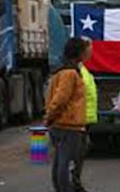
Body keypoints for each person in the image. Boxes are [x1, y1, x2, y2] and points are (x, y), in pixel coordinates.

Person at [45, 37, 87, 192]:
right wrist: (49, 117)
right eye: (85, 50)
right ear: (79, 53)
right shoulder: (70, 73)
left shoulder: (62, 71)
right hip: (68, 124)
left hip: (61, 123)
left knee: (60, 161)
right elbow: (60, 98)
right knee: (66, 162)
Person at [72, 39, 98, 192]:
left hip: (85, 118)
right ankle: (72, 185)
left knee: (80, 153)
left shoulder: (83, 69)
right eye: (90, 49)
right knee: (74, 154)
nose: (92, 51)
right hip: (77, 120)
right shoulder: (75, 71)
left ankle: (75, 183)